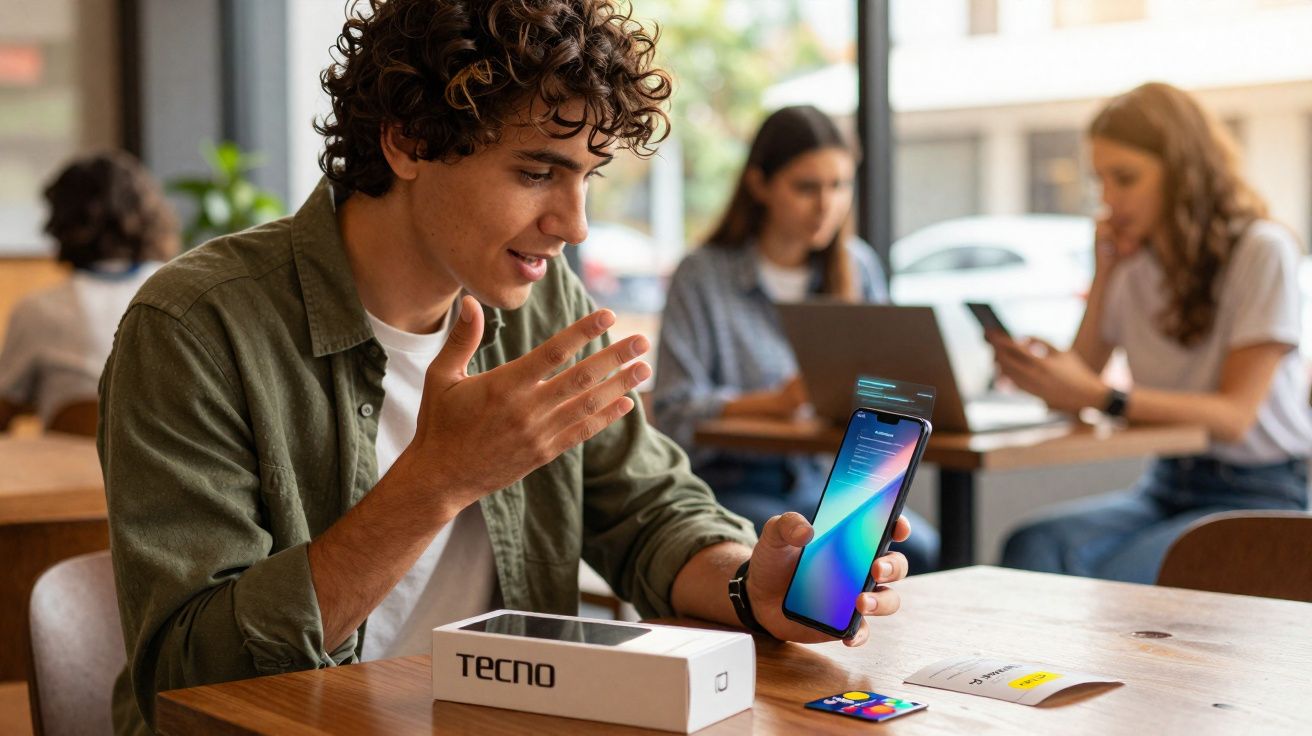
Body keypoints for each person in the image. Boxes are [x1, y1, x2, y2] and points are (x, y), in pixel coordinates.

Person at [99, 3, 916, 734]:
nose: (576, 225)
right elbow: (189, 678)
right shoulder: (196, 328)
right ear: (409, 141)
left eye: (588, 177)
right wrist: (435, 481)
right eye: (536, 173)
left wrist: (751, 586)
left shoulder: (541, 296)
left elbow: (645, 507)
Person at [991, 82, 1312, 583]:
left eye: (1125, 179)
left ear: (1185, 173)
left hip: (1259, 493)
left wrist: (1103, 395)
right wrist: (1104, 273)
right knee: (1033, 544)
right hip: (1167, 482)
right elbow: (1079, 387)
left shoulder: (1260, 249)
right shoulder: (1135, 261)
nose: (1109, 200)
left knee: (1124, 577)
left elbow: (1234, 417)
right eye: (1100, 181)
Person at [652, 105, 939, 573]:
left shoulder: (858, 267)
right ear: (760, 184)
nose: (826, 205)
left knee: (918, 549)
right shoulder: (703, 275)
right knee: (812, 556)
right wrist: (773, 402)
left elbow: (889, 386)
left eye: (839, 186)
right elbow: (673, 409)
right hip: (730, 481)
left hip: (826, 478)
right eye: (806, 187)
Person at [0, 151, 177, 435]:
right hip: (172, 476)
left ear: (58, 223)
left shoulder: (38, 310)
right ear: (151, 215)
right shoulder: (180, 295)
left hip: (70, 476)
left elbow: (5, 410)